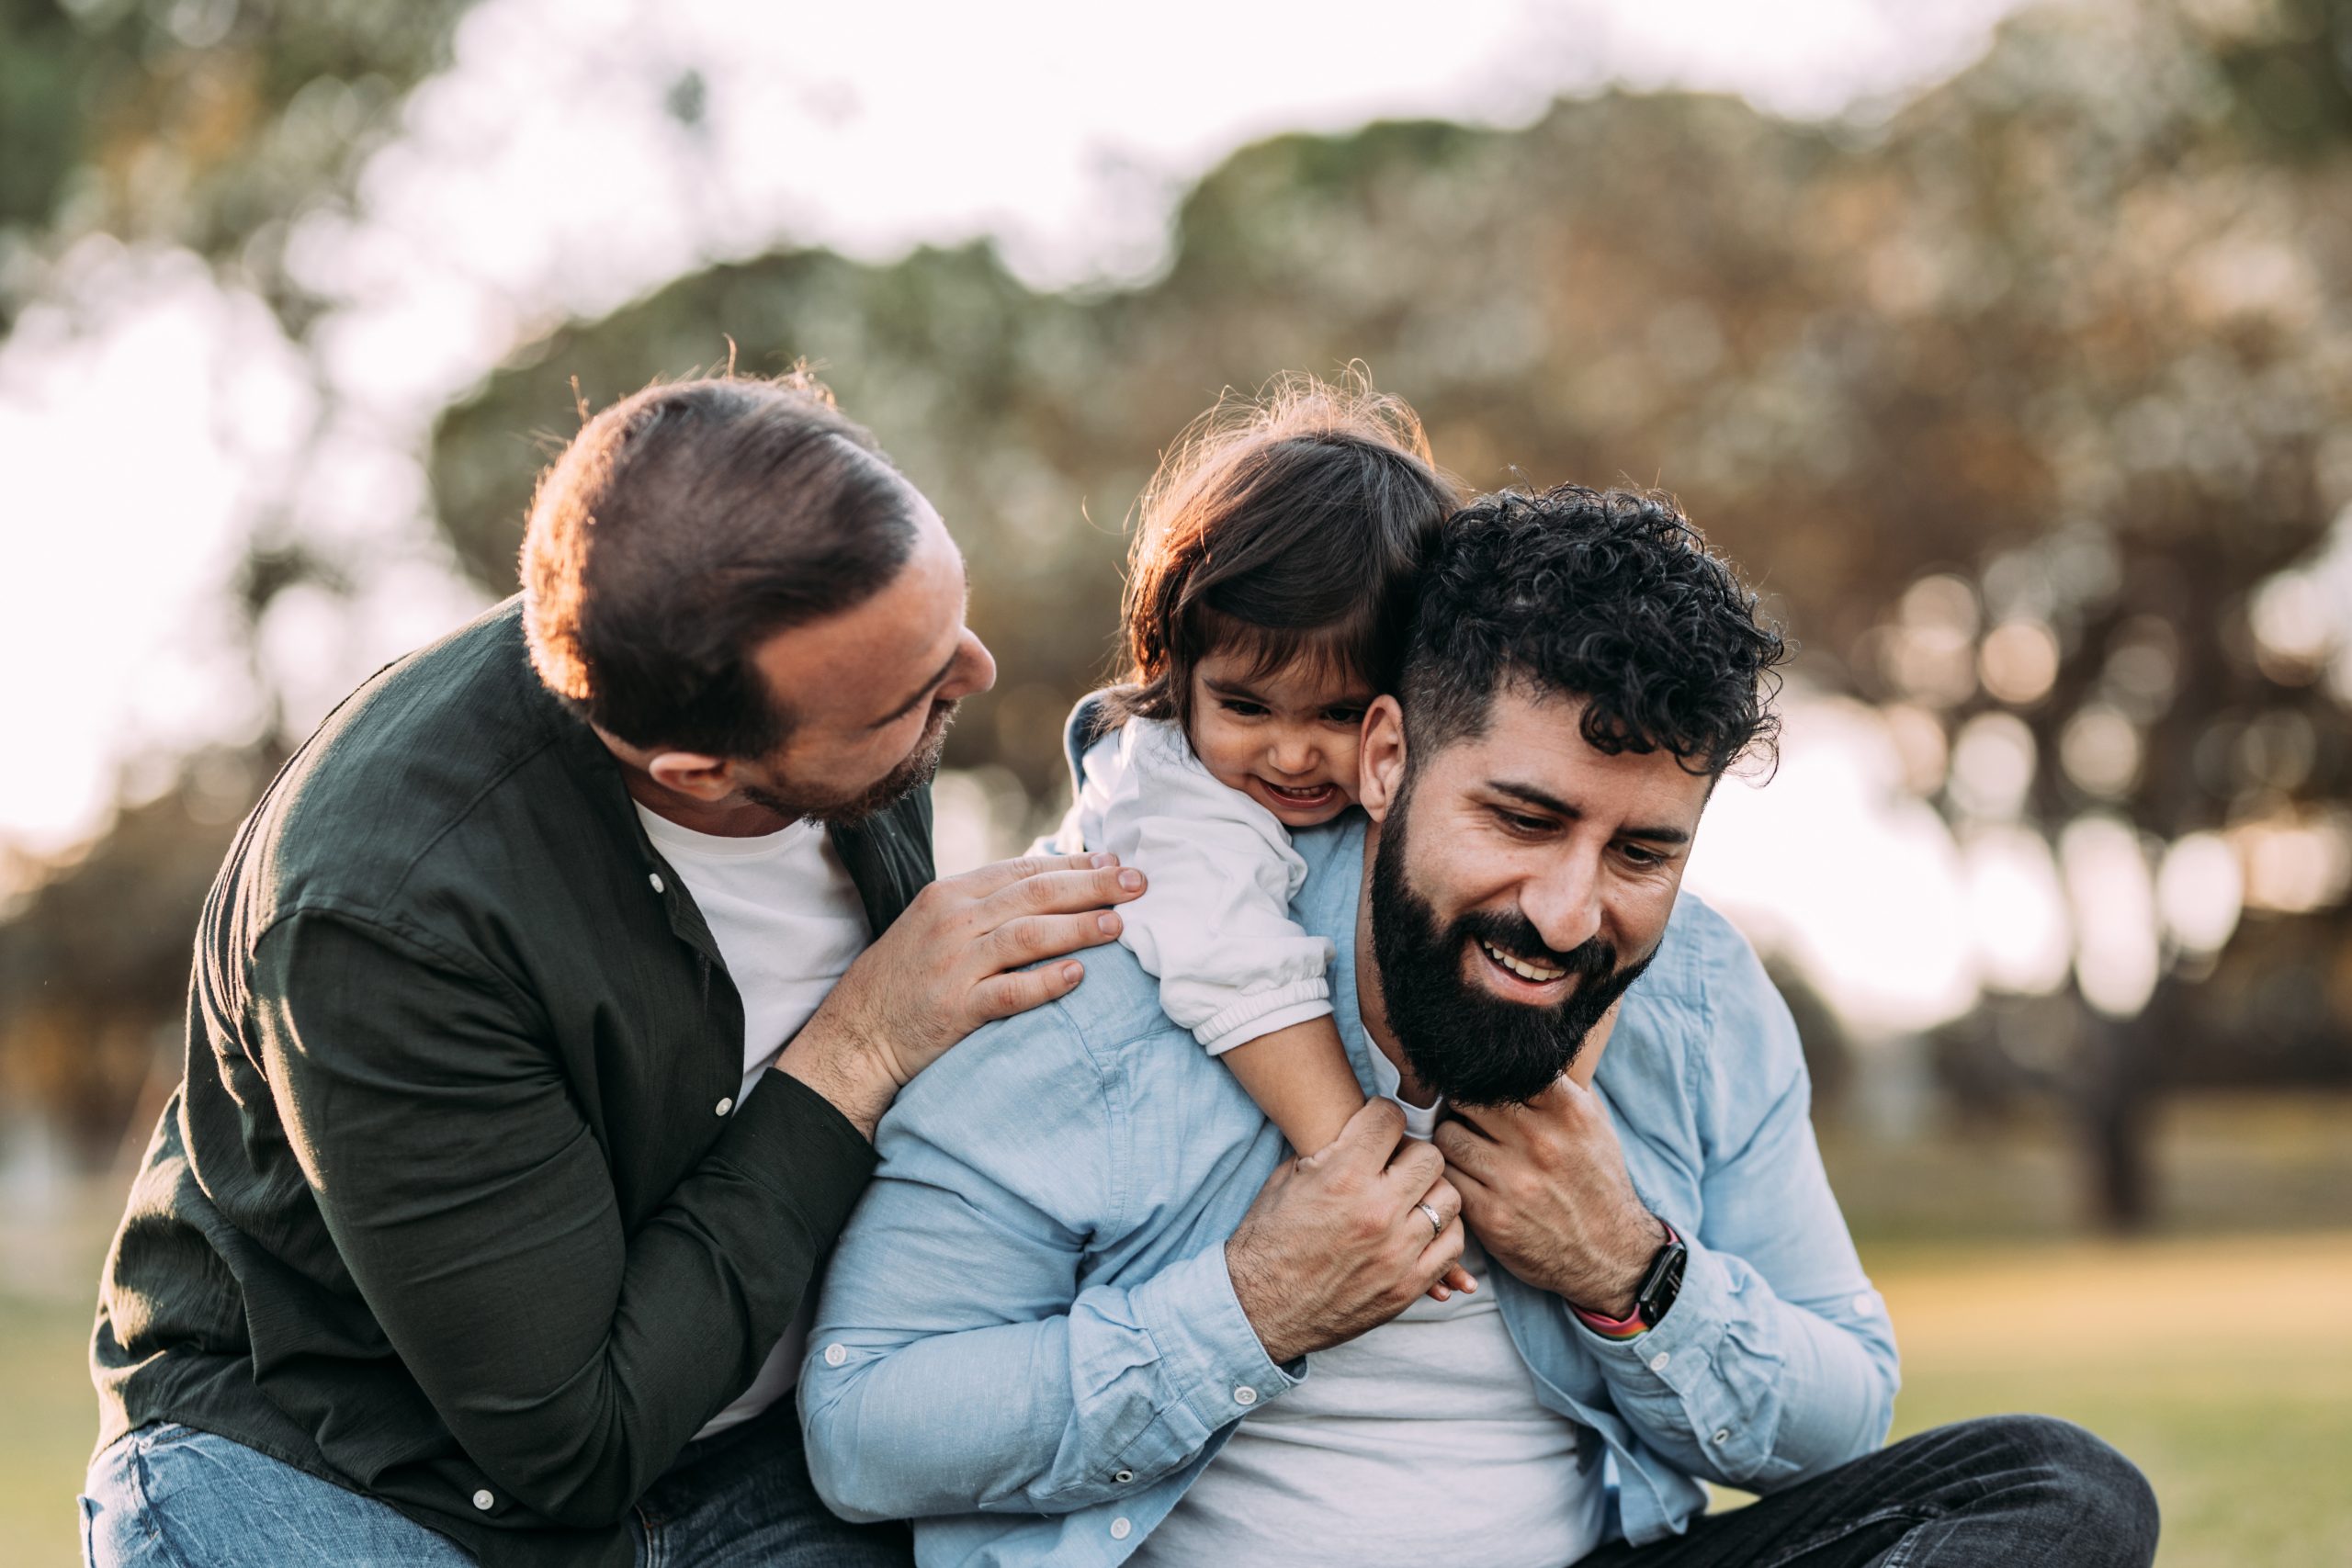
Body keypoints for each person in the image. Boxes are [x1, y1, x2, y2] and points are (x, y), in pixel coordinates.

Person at [799, 483, 2161, 1566]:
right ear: (1385, 757)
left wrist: (1633, 1269)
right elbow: (867, 1422)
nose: (1569, 914)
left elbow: (1842, 1399)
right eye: (1523, 819)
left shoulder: (1698, 998)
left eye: (1642, 852)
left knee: (2062, 1491)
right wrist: (1251, 1305)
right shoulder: (1105, 976)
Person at [81, 373, 1145, 1568]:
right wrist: (863, 1045)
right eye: (919, 693)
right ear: (697, 771)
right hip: (360, 1473)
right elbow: (572, 1438)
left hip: (750, 1457)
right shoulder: (383, 918)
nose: (978, 672)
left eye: (948, 626)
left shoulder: (818, 675)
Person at [1045, 373, 1476, 1296]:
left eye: (1339, 712)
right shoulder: (1158, 787)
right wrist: (1363, 1170)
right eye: (1244, 705)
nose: (1289, 755)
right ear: (1171, 663)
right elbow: (1231, 957)